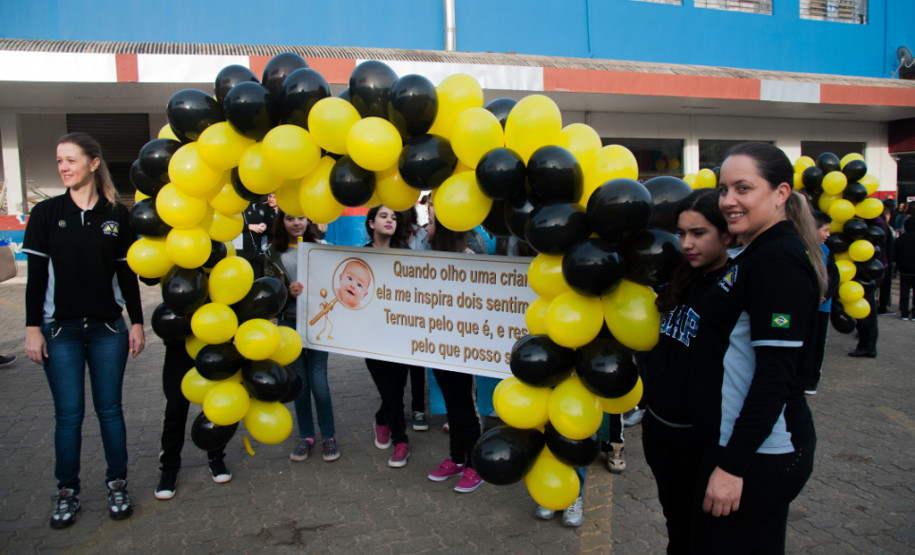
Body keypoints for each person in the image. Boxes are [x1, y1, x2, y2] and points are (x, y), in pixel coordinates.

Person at [688, 142, 823, 553]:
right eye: (724, 189)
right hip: (746, 444)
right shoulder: (755, 251)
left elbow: (775, 377)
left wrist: (732, 467)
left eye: (743, 188)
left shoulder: (777, 261)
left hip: (764, 451)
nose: (728, 200)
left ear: (781, 194)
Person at [22, 132, 146, 529]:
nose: (63, 167)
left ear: (93, 163)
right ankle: (67, 491)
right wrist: (32, 329)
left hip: (109, 329)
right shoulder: (45, 213)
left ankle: (117, 483)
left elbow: (127, 275)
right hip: (60, 333)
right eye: (59, 161)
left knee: (110, 411)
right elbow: (36, 279)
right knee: (68, 416)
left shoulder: (116, 215)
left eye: (70, 160)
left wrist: (138, 323)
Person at [639, 188, 734, 553]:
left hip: (701, 441)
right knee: (676, 524)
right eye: (681, 234)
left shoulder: (733, 288)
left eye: (699, 233)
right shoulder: (679, 277)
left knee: (705, 534)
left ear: (726, 234)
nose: (687, 243)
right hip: (661, 431)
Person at [264, 210, 340, 462]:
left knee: (319, 383)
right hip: (289, 325)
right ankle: (306, 437)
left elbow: (333, 285)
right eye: (290, 218)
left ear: (308, 221)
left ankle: (329, 435)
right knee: (300, 384)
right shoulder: (272, 252)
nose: (296, 223)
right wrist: (287, 291)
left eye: (301, 218)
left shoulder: (321, 247)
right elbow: (269, 293)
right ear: (281, 221)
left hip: (318, 324)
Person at [425, 217, 484, 493]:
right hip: (437, 343)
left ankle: (474, 464)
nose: (426, 228)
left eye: (431, 224)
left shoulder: (469, 258)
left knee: (463, 403)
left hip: (460, 345)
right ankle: (457, 458)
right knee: (451, 400)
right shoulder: (428, 257)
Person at [363, 205, 422, 467]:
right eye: (384, 216)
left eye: (394, 217)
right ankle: (401, 442)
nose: (390, 221)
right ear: (371, 222)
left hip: (400, 335)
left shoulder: (406, 254)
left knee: (396, 388)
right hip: (371, 337)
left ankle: (381, 418)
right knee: (389, 389)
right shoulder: (360, 255)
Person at [153, 340, 232, 500]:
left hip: (214, 341)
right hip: (180, 341)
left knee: (216, 402)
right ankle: (169, 468)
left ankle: (216, 456)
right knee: (176, 406)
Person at [805, 210, 839, 395]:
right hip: (807, 306)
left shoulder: (826, 250)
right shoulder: (802, 249)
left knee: (818, 344)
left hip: (822, 307)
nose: (828, 235)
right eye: (825, 230)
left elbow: (835, 276)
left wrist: (825, 295)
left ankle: (812, 380)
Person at [850, 211, 891, 357]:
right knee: (866, 307)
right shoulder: (876, 222)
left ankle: (867, 345)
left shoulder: (875, 224)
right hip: (868, 268)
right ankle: (866, 343)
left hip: (871, 270)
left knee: (866, 308)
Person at [895, 216, 915, 320]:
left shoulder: (901, 238)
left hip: (904, 269)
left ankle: (904, 312)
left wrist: (899, 265)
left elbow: (896, 254)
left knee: (904, 291)